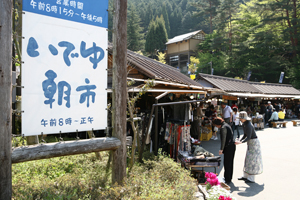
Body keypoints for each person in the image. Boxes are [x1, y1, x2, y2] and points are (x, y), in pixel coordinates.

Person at [235, 111, 263, 183]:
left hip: (254, 142)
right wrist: (240, 140)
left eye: (241, 118)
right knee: (248, 159)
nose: (240, 119)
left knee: (252, 161)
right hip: (250, 142)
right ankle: (245, 176)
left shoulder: (249, 125)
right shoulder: (245, 124)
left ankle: (251, 178)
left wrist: (241, 142)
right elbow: (245, 135)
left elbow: (249, 136)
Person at [213, 117, 236, 184]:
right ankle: (228, 177)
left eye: (216, 125)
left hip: (228, 147)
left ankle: (227, 178)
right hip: (231, 146)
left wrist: (221, 149)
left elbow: (223, 139)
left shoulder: (223, 128)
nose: (216, 127)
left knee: (227, 163)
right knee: (230, 162)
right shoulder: (226, 125)